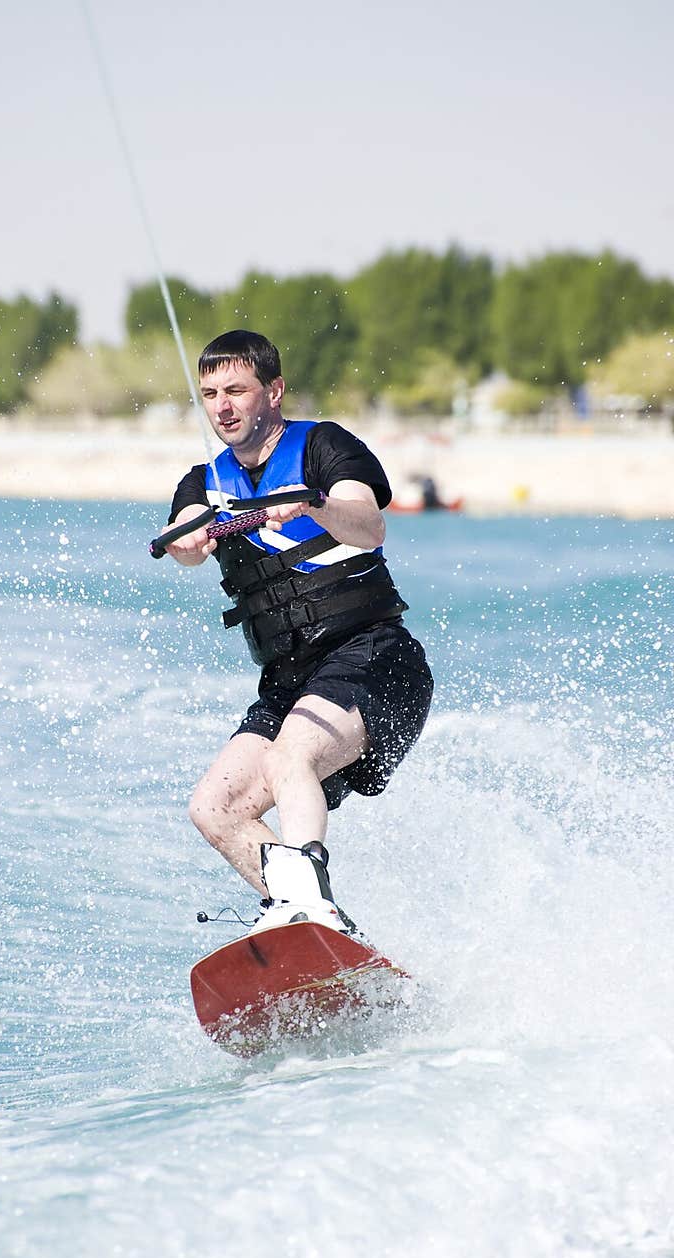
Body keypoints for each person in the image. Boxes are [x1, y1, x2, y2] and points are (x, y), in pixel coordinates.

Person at [161, 330, 433, 934]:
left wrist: (314, 505)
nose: (222, 407)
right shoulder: (204, 482)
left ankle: (307, 899)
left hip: (375, 659)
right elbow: (184, 538)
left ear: (274, 391)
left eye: (237, 390)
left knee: (291, 757)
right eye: (210, 394)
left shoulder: (323, 448)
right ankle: (315, 921)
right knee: (214, 807)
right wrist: (188, 540)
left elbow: (368, 526)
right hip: (289, 681)